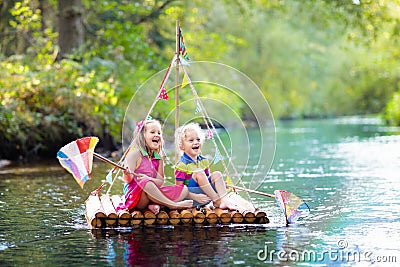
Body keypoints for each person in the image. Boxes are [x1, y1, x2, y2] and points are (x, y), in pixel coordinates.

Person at [116, 119, 193, 214]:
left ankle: (155, 204)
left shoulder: (159, 158)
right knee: (146, 182)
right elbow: (128, 180)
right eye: (152, 132)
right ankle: (172, 205)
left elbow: (160, 182)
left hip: (152, 193)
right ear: (142, 136)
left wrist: (149, 179)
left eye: (159, 133)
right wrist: (127, 174)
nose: (157, 135)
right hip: (137, 197)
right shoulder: (134, 154)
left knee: (184, 189)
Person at [174, 122, 242, 211]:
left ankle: (224, 200)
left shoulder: (204, 161)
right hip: (191, 199)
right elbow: (179, 189)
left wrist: (219, 185)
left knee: (217, 174)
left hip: (206, 198)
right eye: (191, 140)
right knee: (199, 173)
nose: (196, 142)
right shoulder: (181, 165)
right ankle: (217, 199)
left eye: (198, 140)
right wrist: (194, 196)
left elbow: (206, 182)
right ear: (182, 146)